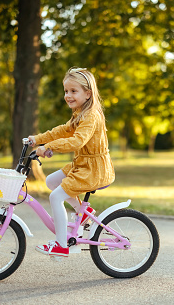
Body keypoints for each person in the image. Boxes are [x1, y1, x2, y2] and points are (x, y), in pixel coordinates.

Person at [28, 67, 115, 258]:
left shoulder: (91, 116)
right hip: (82, 164)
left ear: (88, 93)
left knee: (55, 197)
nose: (68, 95)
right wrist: (38, 139)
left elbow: (77, 141)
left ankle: (61, 245)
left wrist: (49, 146)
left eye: (73, 91)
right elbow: (62, 130)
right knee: (51, 181)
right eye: (66, 91)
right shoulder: (79, 113)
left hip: (94, 169)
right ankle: (82, 213)